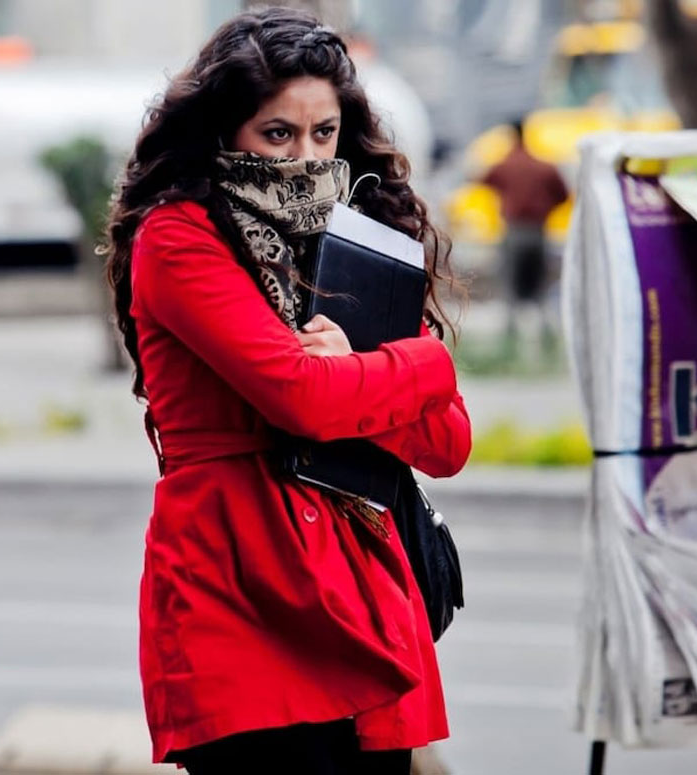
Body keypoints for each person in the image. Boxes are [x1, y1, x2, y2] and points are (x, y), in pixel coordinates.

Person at [104, 8, 471, 775]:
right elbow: (300, 397)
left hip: (358, 583)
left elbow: (448, 443)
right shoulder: (178, 236)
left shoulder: (358, 239)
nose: (305, 157)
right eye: (279, 133)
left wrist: (360, 371)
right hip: (242, 588)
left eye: (323, 133)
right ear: (226, 131)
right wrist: (426, 365)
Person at [481, 119, 568, 345]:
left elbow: (483, 180)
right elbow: (564, 193)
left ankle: (509, 336)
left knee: (510, 282)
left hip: (514, 230)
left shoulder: (506, 165)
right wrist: (546, 208)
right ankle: (546, 334)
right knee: (540, 284)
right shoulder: (543, 166)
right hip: (538, 230)